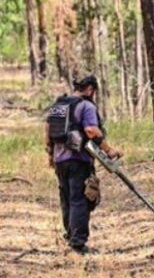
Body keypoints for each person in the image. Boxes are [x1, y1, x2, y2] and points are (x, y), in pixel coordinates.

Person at [45, 76, 122, 254]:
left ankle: (70, 234)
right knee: (80, 199)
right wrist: (108, 150)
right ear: (90, 89)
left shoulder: (59, 104)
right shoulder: (86, 106)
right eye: (93, 91)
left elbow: (47, 129)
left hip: (59, 160)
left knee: (66, 199)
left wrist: (50, 153)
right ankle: (78, 243)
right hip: (79, 160)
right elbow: (90, 130)